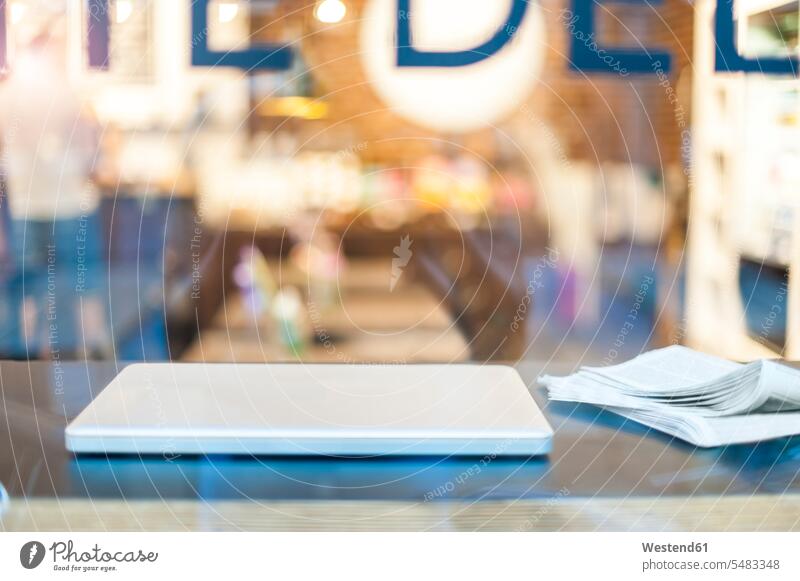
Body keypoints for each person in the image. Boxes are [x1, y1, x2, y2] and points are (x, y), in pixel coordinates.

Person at [0, 26, 107, 359]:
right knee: (73, 288)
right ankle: (82, 364)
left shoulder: (9, 94)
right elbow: (92, 153)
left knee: (29, 289)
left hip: (26, 206)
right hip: (66, 205)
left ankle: (29, 372)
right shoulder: (68, 93)